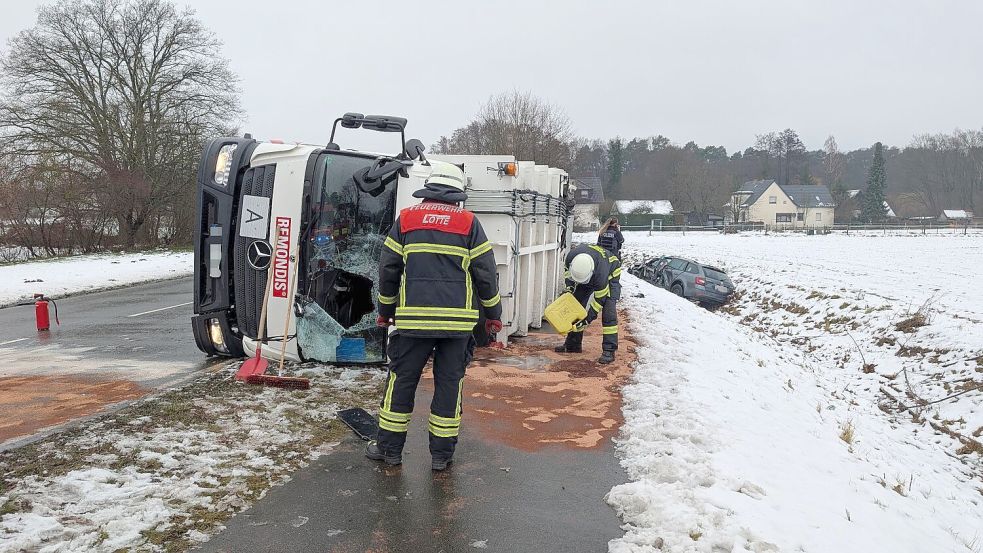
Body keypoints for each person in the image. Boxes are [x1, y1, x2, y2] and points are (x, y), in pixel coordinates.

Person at [367, 161, 503, 471]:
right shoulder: (469, 223)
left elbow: (388, 270)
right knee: (448, 386)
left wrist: (385, 311)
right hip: (457, 327)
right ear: (457, 193)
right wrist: (493, 315)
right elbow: (485, 275)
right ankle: (441, 456)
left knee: (401, 382)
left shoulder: (406, 220)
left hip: (413, 322)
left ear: (427, 190)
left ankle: (389, 450)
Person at [554, 243, 621, 364]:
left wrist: (586, 321)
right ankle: (573, 345)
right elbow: (568, 274)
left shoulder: (601, 275)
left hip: (610, 274)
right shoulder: (571, 257)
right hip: (592, 269)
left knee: (608, 312)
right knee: (576, 304)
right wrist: (569, 289)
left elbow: (599, 302)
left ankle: (609, 350)